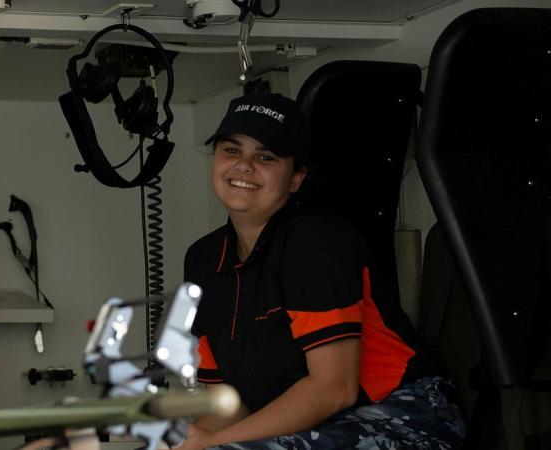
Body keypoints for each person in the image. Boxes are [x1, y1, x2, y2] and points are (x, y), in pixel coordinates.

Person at [180, 93, 465, 450]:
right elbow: (228, 404)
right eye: (231, 150)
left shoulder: (315, 240)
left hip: (407, 414)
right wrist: (190, 441)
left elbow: (334, 391)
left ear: (297, 177)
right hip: (313, 424)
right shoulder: (204, 260)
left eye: (266, 156)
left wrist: (213, 444)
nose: (244, 165)